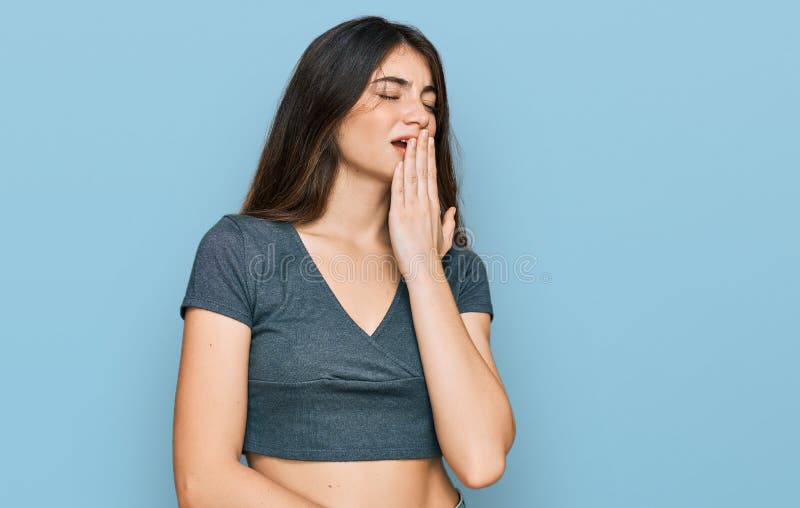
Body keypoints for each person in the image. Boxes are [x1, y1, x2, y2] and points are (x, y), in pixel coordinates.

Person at [173, 15, 515, 508]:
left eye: (429, 102)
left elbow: (482, 460)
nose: (418, 115)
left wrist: (422, 267)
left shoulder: (456, 269)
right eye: (390, 94)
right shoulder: (239, 251)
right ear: (327, 108)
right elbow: (202, 482)